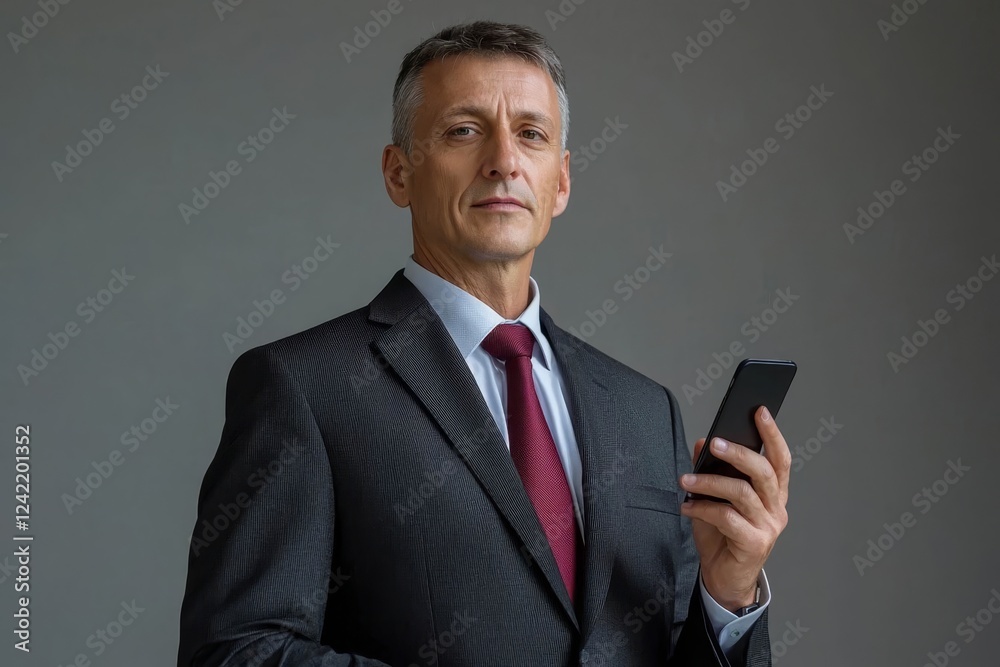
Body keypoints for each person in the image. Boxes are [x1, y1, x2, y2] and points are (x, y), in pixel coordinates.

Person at [177, 19, 790, 667]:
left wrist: (728, 593)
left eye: (531, 134)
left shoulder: (645, 409)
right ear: (398, 173)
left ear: (560, 182)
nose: (503, 160)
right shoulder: (304, 388)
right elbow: (235, 652)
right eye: (464, 131)